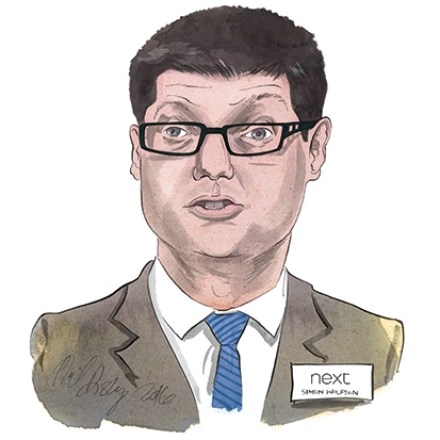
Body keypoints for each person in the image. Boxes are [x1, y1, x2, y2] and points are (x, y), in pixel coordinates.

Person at [30, 6, 403, 432]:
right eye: (176, 131)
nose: (213, 166)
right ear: (138, 153)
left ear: (315, 149)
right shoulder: (63, 349)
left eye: (257, 133)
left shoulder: (377, 347)